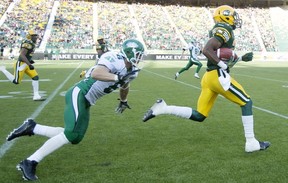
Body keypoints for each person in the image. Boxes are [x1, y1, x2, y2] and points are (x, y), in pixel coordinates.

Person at [6, 39, 145, 181]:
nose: (140, 58)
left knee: (75, 137)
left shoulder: (133, 71)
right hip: (79, 93)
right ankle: (30, 161)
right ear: (129, 52)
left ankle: (33, 127)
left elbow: (124, 86)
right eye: (138, 54)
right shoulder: (114, 57)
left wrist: (123, 101)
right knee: (71, 134)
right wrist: (118, 77)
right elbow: (97, 73)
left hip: (88, 100)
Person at [143, 5, 270, 153]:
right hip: (217, 77)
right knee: (247, 102)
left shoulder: (221, 31)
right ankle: (251, 143)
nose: (235, 20)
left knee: (200, 115)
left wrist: (240, 58)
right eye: (233, 16)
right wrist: (222, 64)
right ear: (225, 16)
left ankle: (163, 108)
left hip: (208, 77)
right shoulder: (224, 28)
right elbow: (207, 50)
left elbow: (220, 56)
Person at [0, 30, 45, 101]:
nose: (36, 37)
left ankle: (36, 96)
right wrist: (29, 64)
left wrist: (30, 62)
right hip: (21, 64)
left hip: (26, 64)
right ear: (30, 36)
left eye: (36, 35)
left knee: (35, 77)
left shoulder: (31, 43)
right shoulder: (27, 43)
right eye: (34, 36)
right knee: (16, 81)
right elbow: (22, 55)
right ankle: (3, 70)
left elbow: (27, 55)